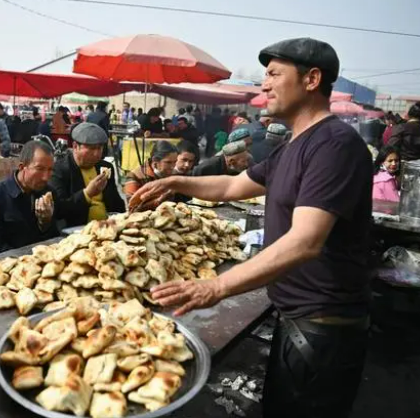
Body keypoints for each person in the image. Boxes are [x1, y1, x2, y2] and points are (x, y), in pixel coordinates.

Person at [132, 38, 373, 418]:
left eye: (275, 74)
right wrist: (176, 183)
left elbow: (305, 241)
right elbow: (231, 185)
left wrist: (217, 286)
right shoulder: (294, 146)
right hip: (297, 318)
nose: (264, 85)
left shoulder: (334, 145)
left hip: (324, 329)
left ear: (312, 79)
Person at [0, 141, 59, 255]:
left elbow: (54, 239)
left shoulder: (47, 192)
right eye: (40, 169)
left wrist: (45, 223)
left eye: (50, 170)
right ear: (22, 167)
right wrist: (26, 259)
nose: (46, 177)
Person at [50, 123, 125, 227]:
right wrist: (87, 194)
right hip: (77, 230)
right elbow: (59, 209)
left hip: (108, 226)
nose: (97, 154)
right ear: (75, 146)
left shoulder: (105, 167)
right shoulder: (59, 170)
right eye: (92, 148)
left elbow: (116, 202)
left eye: (100, 148)